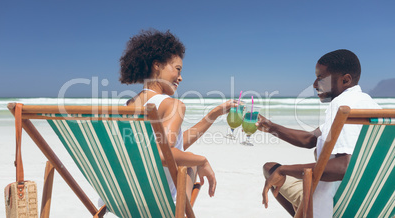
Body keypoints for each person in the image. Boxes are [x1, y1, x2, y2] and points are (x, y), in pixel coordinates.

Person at [257, 49, 381, 217]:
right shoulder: (370, 106)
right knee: (273, 168)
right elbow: (310, 139)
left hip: (334, 205)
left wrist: (284, 170)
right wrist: (271, 127)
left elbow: (343, 166)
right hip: (371, 202)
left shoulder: (341, 106)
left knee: (272, 171)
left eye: (321, 78)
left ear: (346, 80)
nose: (315, 84)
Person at [119, 29, 235, 202]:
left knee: (188, 159)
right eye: (177, 69)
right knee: (190, 166)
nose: (180, 78)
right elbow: (162, 154)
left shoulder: (126, 107)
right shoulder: (172, 105)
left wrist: (214, 114)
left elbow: (170, 145)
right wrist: (201, 161)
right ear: (156, 65)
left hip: (124, 199)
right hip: (159, 203)